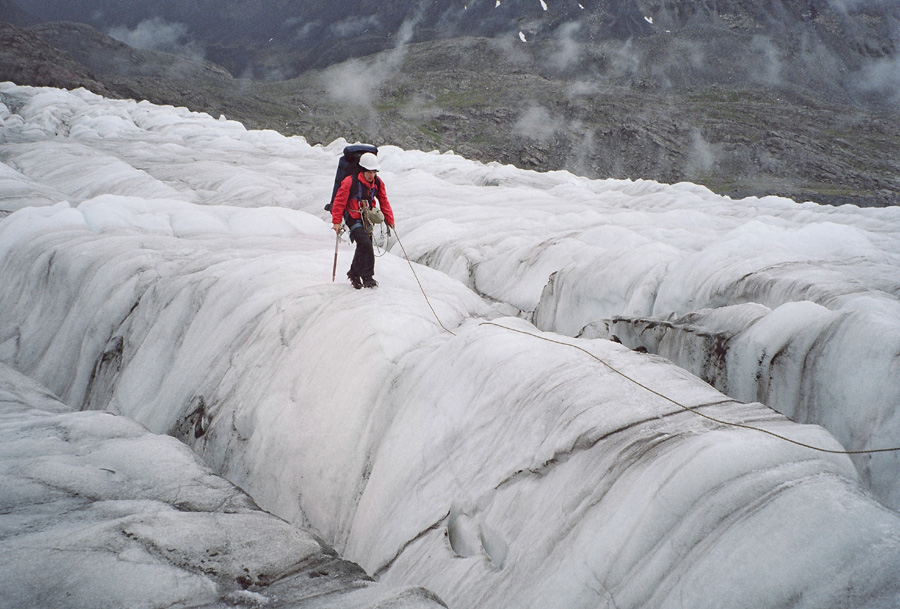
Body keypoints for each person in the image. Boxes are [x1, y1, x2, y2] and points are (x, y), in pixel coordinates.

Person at [331, 152, 395, 288]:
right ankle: (368, 277)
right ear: (362, 169)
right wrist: (336, 222)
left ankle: (353, 273)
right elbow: (339, 202)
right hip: (353, 218)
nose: (372, 175)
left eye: (374, 172)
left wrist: (389, 220)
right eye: (369, 172)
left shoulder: (377, 182)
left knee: (363, 245)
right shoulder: (350, 182)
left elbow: (383, 200)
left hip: (366, 219)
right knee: (365, 244)